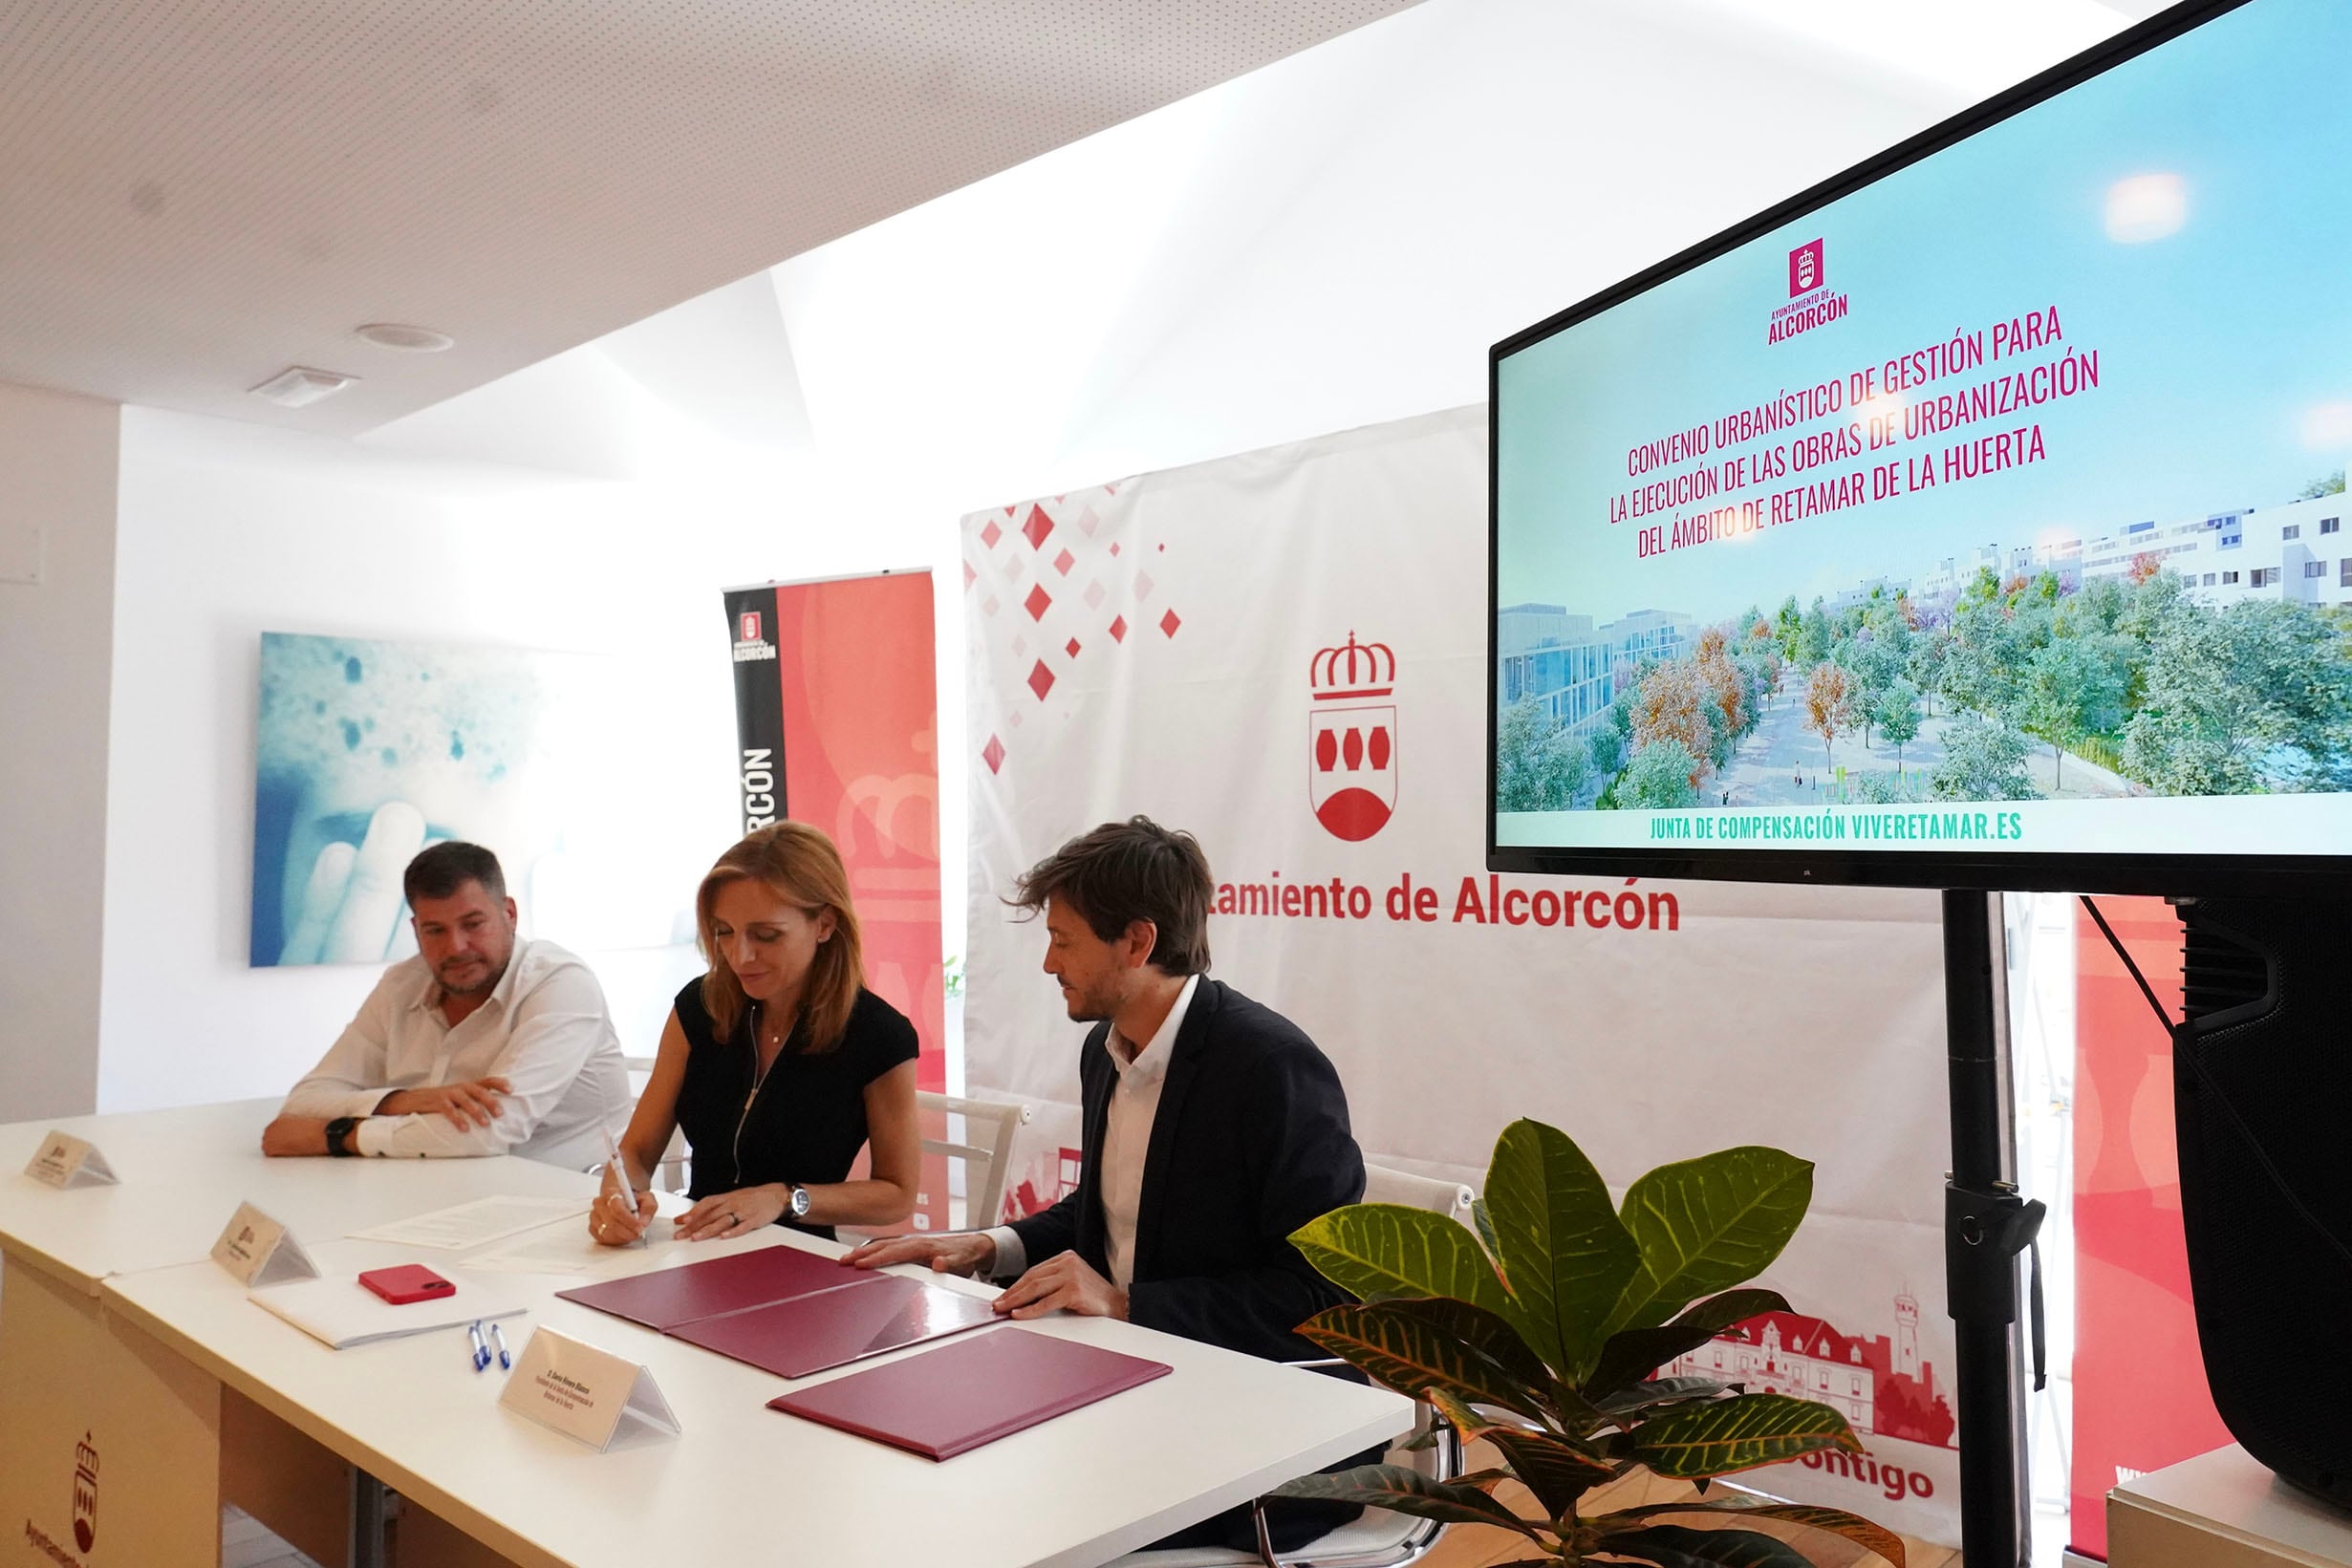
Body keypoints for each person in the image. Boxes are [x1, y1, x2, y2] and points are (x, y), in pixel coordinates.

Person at [845, 816, 1366, 1552]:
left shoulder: (1271, 1066)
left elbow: (1324, 1297)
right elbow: (1107, 1215)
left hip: (1260, 1431)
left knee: (999, 1510)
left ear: (1138, 942)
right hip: (1132, 1384)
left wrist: (1126, 1303)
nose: (1048, 962)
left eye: (1063, 939)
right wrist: (982, 1244)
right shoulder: (1106, 1047)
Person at [591, 823, 918, 1246]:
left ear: (824, 924)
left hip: (799, 1259)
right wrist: (620, 1199)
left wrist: (785, 1198)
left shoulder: (878, 1036)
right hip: (694, 1249)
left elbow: (896, 1195)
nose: (739, 956)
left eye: (766, 935)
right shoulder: (699, 1007)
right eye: (723, 932)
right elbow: (635, 1153)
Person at [263, 841, 629, 1167]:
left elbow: (486, 1133)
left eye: (473, 924)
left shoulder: (560, 983)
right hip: (437, 1188)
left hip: (570, 1204)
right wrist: (408, 1101)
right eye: (435, 930)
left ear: (510, 914)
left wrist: (336, 1136)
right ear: (416, 929)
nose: (455, 947)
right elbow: (304, 1102)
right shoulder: (402, 984)